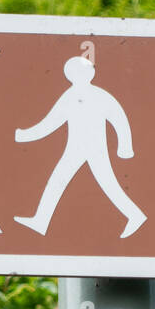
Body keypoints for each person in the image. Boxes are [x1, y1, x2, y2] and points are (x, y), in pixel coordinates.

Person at [14, 56, 146, 238]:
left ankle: (136, 215)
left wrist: (125, 147)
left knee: (108, 184)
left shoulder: (98, 95)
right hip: (76, 148)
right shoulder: (70, 96)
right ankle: (40, 220)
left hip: (94, 148)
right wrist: (24, 135)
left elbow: (118, 118)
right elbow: (51, 122)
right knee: (57, 181)